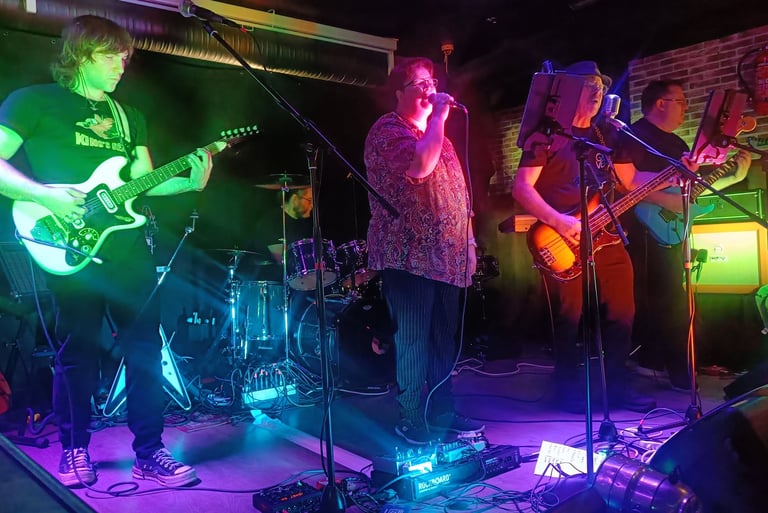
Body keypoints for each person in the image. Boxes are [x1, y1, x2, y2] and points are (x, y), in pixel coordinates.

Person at [0, 16, 212, 487]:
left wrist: (188, 184)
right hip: (68, 243)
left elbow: (142, 183)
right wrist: (47, 196)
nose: (122, 64)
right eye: (111, 54)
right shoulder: (32, 101)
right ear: (81, 55)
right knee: (78, 352)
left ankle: (150, 452)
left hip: (128, 252)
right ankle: (74, 450)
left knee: (146, 350)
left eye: (125, 56)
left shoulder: (128, 116)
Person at [512, 61, 662, 414]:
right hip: (560, 237)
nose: (597, 92)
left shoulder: (606, 135)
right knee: (570, 317)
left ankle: (617, 388)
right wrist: (559, 221)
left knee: (623, 311)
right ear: (568, 92)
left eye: (600, 86)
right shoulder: (546, 134)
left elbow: (630, 181)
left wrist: (675, 173)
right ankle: (565, 389)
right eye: (588, 86)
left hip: (606, 234)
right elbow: (522, 188)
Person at [364, 57, 484, 444]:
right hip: (409, 256)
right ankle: (412, 417)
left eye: (432, 82)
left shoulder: (440, 137)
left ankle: (443, 412)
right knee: (414, 340)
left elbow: (458, 197)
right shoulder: (388, 130)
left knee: (442, 340)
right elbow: (419, 167)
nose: (430, 90)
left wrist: (469, 244)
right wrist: (439, 119)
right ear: (399, 93)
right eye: (420, 84)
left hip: (447, 257)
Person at [621, 79, 752, 390]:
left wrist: (733, 177)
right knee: (668, 301)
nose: (685, 108)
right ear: (660, 103)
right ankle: (674, 370)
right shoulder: (634, 137)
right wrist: (667, 202)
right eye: (680, 101)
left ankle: (657, 363)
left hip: (669, 229)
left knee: (674, 299)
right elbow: (624, 184)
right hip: (642, 228)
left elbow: (689, 190)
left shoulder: (677, 143)